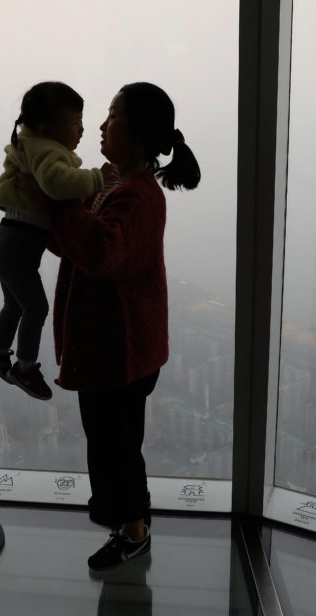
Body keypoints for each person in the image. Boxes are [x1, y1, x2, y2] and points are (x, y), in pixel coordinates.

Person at [44, 82, 201, 571]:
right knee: (114, 443)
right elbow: (75, 243)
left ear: (137, 132)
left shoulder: (137, 196)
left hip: (120, 351)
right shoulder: (117, 186)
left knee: (116, 448)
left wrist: (58, 203)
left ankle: (133, 534)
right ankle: (130, 521)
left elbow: (99, 253)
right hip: (116, 348)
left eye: (112, 116)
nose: (101, 126)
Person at [0, 81, 113, 400]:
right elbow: (57, 184)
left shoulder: (35, 146)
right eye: (75, 123)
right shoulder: (46, 150)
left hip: (7, 243)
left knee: (15, 304)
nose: (82, 129)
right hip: (17, 246)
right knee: (36, 308)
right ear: (46, 130)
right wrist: (98, 178)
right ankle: (24, 367)